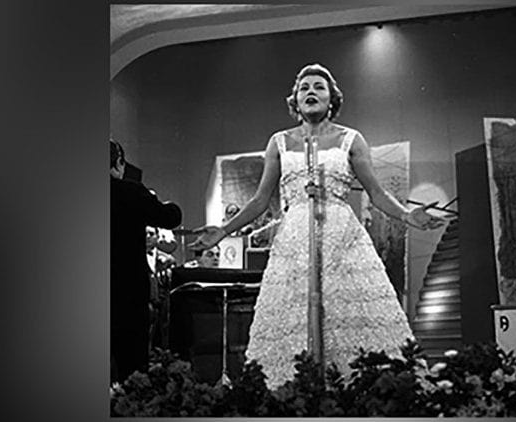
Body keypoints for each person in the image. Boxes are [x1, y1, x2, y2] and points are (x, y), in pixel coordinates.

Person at [189, 64, 445, 388]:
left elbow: (377, 193)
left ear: (332, 98)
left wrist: (407, 215)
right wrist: (223, 231)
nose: (311, 91)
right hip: (295, 245)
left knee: (348, 319)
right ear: (295, 100)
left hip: (343, 243)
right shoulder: (279, 142)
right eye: (304, 87)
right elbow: (259, 200)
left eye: (319, 87)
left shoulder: (351, 140)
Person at [111, 139, 182, 383]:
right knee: (132, 368)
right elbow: (170, 217)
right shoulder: (132, 191)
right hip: (126, 291)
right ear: (119, 163)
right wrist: (167, 204)